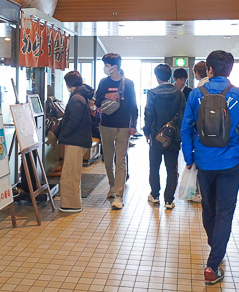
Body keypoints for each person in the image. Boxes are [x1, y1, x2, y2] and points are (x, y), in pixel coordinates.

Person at [181, 50, 239, 285]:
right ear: (230, 70)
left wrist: (189, 156)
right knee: (225, 211)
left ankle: (216, 250)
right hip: (231, 161)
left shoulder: (195, 94)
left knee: (209, 208)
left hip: (204, 160)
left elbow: (186, 128)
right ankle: (213, 264)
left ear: (209, 70)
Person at [95, 53, 137, 211]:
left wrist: (134, 124)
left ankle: (119, 196)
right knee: (107, 160)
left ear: (115, 67)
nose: (105, 67)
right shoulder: (103, 82)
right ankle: (112, 186)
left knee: (120, 161)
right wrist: (106, 95)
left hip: (123, 127)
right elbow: (96, 100)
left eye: (106, 64)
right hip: (105, 126)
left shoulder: (128, 83)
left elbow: (133, 104)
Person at [143, 63, 186, 209]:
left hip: (156, 136)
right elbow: (183, 116)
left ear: (157, 77)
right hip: (174, 137)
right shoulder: (179, 94)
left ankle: (155, 195)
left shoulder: (152, 93)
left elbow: (149, 113)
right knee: (171, 168)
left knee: (154, 166)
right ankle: (169, 200)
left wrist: (147, 132)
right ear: (170, 76)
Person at [56, 71, 94, 213]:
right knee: (72, 172)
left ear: (68, 84)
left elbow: (73, 120)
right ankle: (72, 202)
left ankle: (71, 205)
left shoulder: (77, 98)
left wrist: (63, 135)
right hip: (79, 139)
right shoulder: (80, 95)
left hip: (76, 140)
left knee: (70, 174)